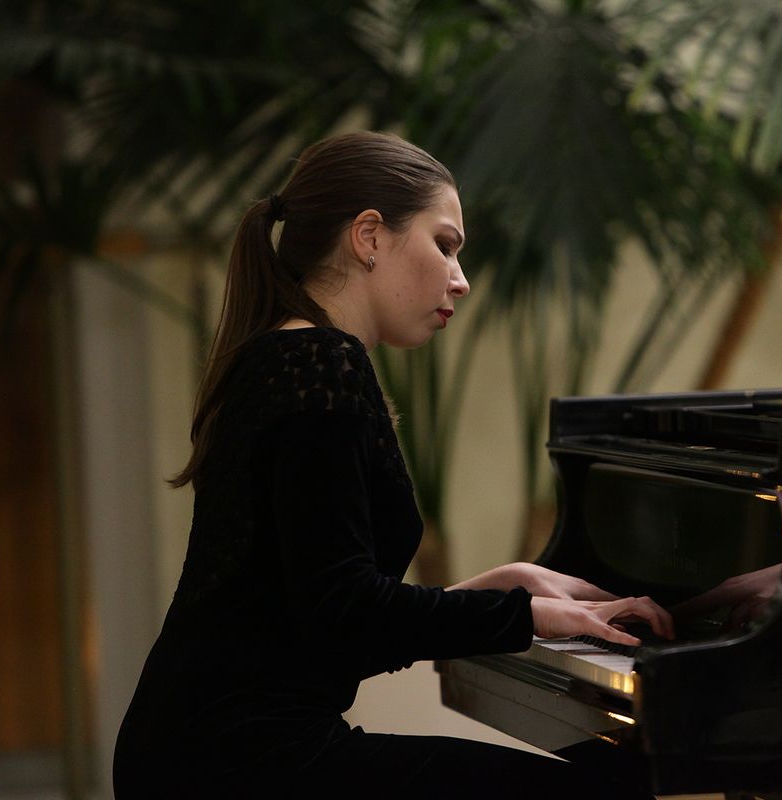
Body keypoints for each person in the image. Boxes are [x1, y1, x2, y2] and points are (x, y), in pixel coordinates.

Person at [112, 131, 673, 799]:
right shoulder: (321, 362)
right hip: (241, 758)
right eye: (445, 244)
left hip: (205, 745)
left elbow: (321, 610)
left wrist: (505, 584)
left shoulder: (284, 355)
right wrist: (529, 616)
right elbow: (346, 611)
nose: (461, 279)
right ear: (369, 236)